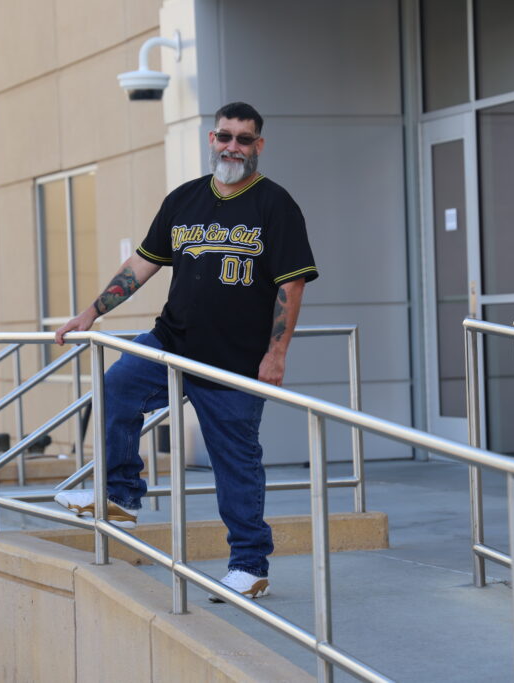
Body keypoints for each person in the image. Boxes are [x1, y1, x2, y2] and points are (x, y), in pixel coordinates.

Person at [52, 102, 317, 601]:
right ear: (211, 139)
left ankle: (249, 565)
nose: (232, 147)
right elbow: (142, 265)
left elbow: (292, 284)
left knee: (235, 463)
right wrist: (92, 313)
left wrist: (276, 353)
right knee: (115, 389)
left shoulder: (275, 205)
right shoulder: (185, 200)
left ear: (258, 146)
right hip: (172, 342)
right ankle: (122, 491)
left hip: (235, 360)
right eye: (224, 136)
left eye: (243, 139)